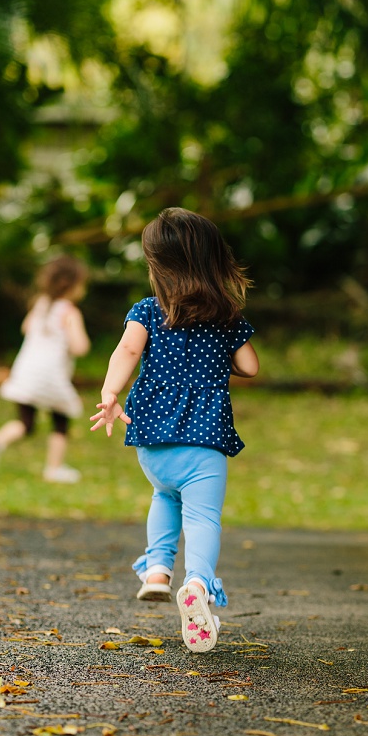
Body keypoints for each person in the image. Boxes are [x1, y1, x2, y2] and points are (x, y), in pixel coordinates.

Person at [89, 208, 259, 653]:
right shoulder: (226, 317)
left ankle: (158, 572)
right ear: (213, 264)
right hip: (203, 441)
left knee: (163, 496)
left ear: (158, 268)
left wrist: (110, 393)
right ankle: (198, 585)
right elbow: (250, 366)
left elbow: (127, 349)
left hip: (153, 440)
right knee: (202, 517)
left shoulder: (147, 310)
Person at [0, 255, 90, 483]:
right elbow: (80, 347)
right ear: (70, 285)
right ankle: (54, 469)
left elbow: (25, 327)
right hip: (50, 377)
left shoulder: (41, 304)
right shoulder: (69, 312)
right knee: (61, 419)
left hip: (26, 372)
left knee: (25, 422)